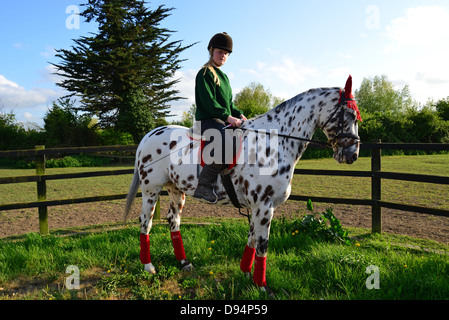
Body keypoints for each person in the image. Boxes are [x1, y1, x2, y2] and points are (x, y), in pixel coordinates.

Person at [193, 32, 247, 203]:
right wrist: (228, 117)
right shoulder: (205, 73)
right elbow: (210, 103)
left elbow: (228, 104)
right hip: (208, 121)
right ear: (211, 51)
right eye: (220, 52)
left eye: (226, 53)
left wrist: (238, 114)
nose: (223, 55)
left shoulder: (224, 77)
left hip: (221, 120)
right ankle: (203, 186)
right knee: (228, 146)